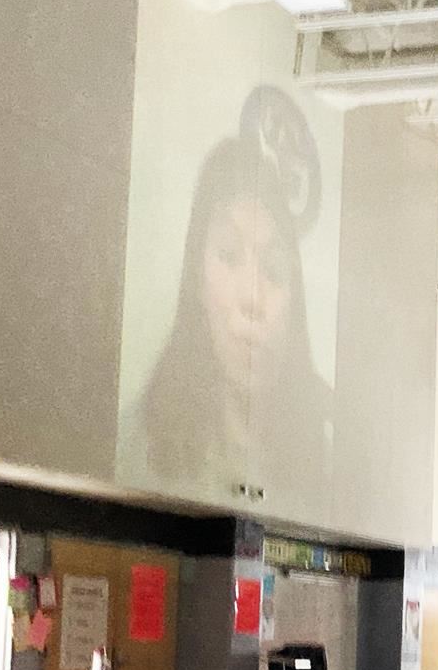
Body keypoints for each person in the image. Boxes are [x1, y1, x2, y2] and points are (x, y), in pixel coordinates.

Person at [118, 108, 333, 499]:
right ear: (196, 279)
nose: (253, 299)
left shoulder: (327, 465)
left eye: (273, 269)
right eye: (229, 255)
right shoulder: (136, 447)